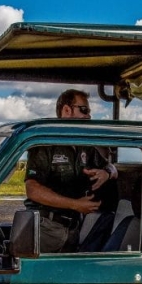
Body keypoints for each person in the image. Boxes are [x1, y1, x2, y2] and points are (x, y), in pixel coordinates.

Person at [24, 89, 117, 253]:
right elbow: (32, 190)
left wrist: (106, 173)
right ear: (66, 110)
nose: (88, 116)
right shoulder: (45, 143)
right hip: (46, 228)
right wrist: (75, 205)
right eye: (84, 110)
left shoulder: (85, 146)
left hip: (73, 229)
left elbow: (112, 167)